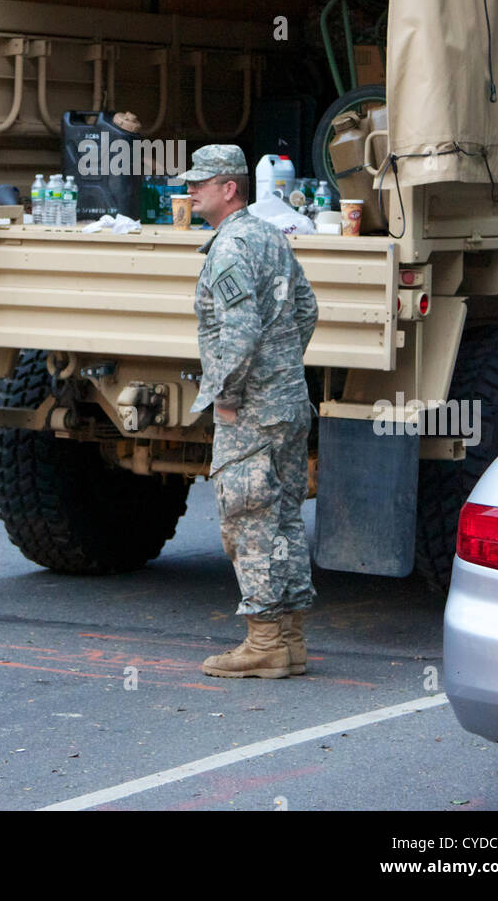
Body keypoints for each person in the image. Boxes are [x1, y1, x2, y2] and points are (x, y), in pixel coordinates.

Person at [180, 144, 319, 679]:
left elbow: (237, 335)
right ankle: (289, 639)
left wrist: (229, 397)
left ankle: (263, 643)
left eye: (200, 183)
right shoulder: (268, 235)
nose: (189, 191)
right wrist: (283, 366)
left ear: (229, 188)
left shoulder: (232, 246)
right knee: (283, 519)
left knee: (248, 521)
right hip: (287, 403)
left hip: (253, 412)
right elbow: (306, 307)